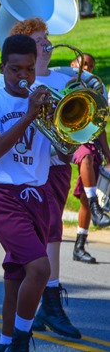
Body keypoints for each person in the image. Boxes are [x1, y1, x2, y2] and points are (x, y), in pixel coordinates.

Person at [0, 33, 72, 351]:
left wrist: (69, 130)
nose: (23, 76)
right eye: (15, 69)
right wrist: (29, 115)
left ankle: (4, 343)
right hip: (1, 196)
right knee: (40, 268)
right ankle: (21, 341)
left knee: (16, 278)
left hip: (37, 195)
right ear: (3, 68)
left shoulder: (46, 101)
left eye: (29, 69)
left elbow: (64, 155)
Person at [0, 17, 82, 340]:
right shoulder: (12, 82)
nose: (47, 44)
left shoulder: (62, 77)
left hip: (58, 167)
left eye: (46, 40)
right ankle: (36, 310)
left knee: (52, 233)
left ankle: (45, 301)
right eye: (39, 41)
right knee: (35, 241)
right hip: (27, 175)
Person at [70, 52, 110, 264]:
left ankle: (79, 245)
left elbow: (100, 126)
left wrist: (108, 155)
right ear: (73, 64)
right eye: (83, 64)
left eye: (91, 66)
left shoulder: (95, 91)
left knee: (85, 195)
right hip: (69, 140)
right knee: (84, 156)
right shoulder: (67, 82)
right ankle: (96, 207)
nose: (87, 68)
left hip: (90, 140)